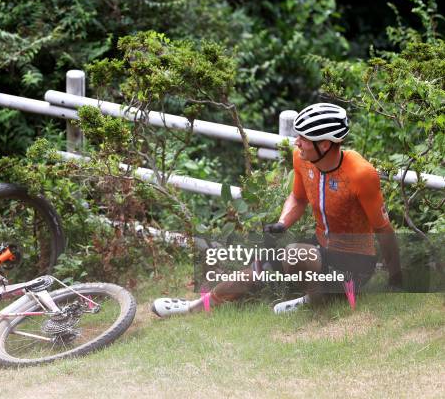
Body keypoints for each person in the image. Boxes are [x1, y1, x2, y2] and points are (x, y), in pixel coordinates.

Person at [152, 103, 402, 317]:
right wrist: (282, 224)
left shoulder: (361, 174)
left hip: (355, 262)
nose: (297, 142)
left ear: (325, 145)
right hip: (321, 245)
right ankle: (195, 307)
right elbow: (297, 198)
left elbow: (384, 229)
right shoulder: (302, 159)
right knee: (259, 264)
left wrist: (395, 279)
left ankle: (314, 301)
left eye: (304, 138)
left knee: (295, 254)